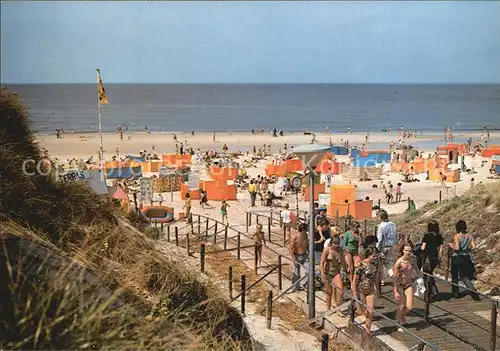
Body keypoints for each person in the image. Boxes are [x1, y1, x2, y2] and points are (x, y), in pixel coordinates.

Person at [352, 246, 381, 335]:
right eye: (373, 256)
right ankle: (353, 314)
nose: (375, 258)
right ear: (368, 256)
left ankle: (367, 331)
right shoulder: (361, 266)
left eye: (376, 256)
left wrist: (378, 290)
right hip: (360, 290)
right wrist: (354, 293)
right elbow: (354, 280)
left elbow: (376, 278)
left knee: (370, 311)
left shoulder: (375, 264)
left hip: (370, 289)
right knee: (361, 312)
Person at [393, 243, 421, 328]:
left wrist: (420, 280)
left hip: (409, 284)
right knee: (401, 305)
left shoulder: (413, 259)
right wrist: (395, 291)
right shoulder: (399, 262)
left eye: (410, 251)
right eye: (406, 250)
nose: (408, 252)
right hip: (400, 285)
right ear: (403, 251)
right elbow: (395, 278)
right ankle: (398, 322)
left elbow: (417, 269)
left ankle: (400, 317)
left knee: (410, 306)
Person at [451, 220, 479, 300]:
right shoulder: (470, 236)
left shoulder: (457, 236)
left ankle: (455, 294)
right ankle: (472, 288)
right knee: (464, 275)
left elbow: (457, 248)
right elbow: (474, 247)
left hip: (457, 257)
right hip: (466, 257)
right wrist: (467, 248)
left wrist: (451, 245)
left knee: (455, 276)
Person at [420, 220, 444, 299]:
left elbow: (423, 248)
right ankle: (434, 290)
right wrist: (439, 259)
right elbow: (441, 249)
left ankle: (430, 291)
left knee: (426, 275)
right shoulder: (439, 236)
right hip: (435, 258)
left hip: (427, 258)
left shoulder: (426, 235)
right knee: (430, 273)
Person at [320, 236, 345, 309]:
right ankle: (328, 308)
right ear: (331, 243)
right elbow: (322, 263)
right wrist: (322, 274)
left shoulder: (340, 250)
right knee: (329, 292)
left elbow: (343, 261)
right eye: (335, 243)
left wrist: (346, 270)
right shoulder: (327, 250)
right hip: (327, 272)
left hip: (336, 272)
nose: (337, 245)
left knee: (340, 289)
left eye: (338, 243)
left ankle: (338, 306)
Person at [376, 210, 397, 285]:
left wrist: (377, 248)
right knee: (390, 262)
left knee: (381, 262)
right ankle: (392, 274)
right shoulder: (393, 224)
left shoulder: (381, 226)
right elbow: (395, 235)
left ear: (381, 217)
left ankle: (382, 279)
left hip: (383, 246)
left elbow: (379, 239)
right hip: (392, 245)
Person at [289, 222, 309, 292]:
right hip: (297, 256)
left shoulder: (306, 236)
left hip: (305, 256)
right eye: (306, 229)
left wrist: (310, 255)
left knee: (309, 271)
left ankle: (302, 284)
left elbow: (307, 246)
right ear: (303, 229)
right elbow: (290, 249)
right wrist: (294, 259)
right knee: (296, 273)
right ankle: (295, 287)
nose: (307, 230)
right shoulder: (294, 236)